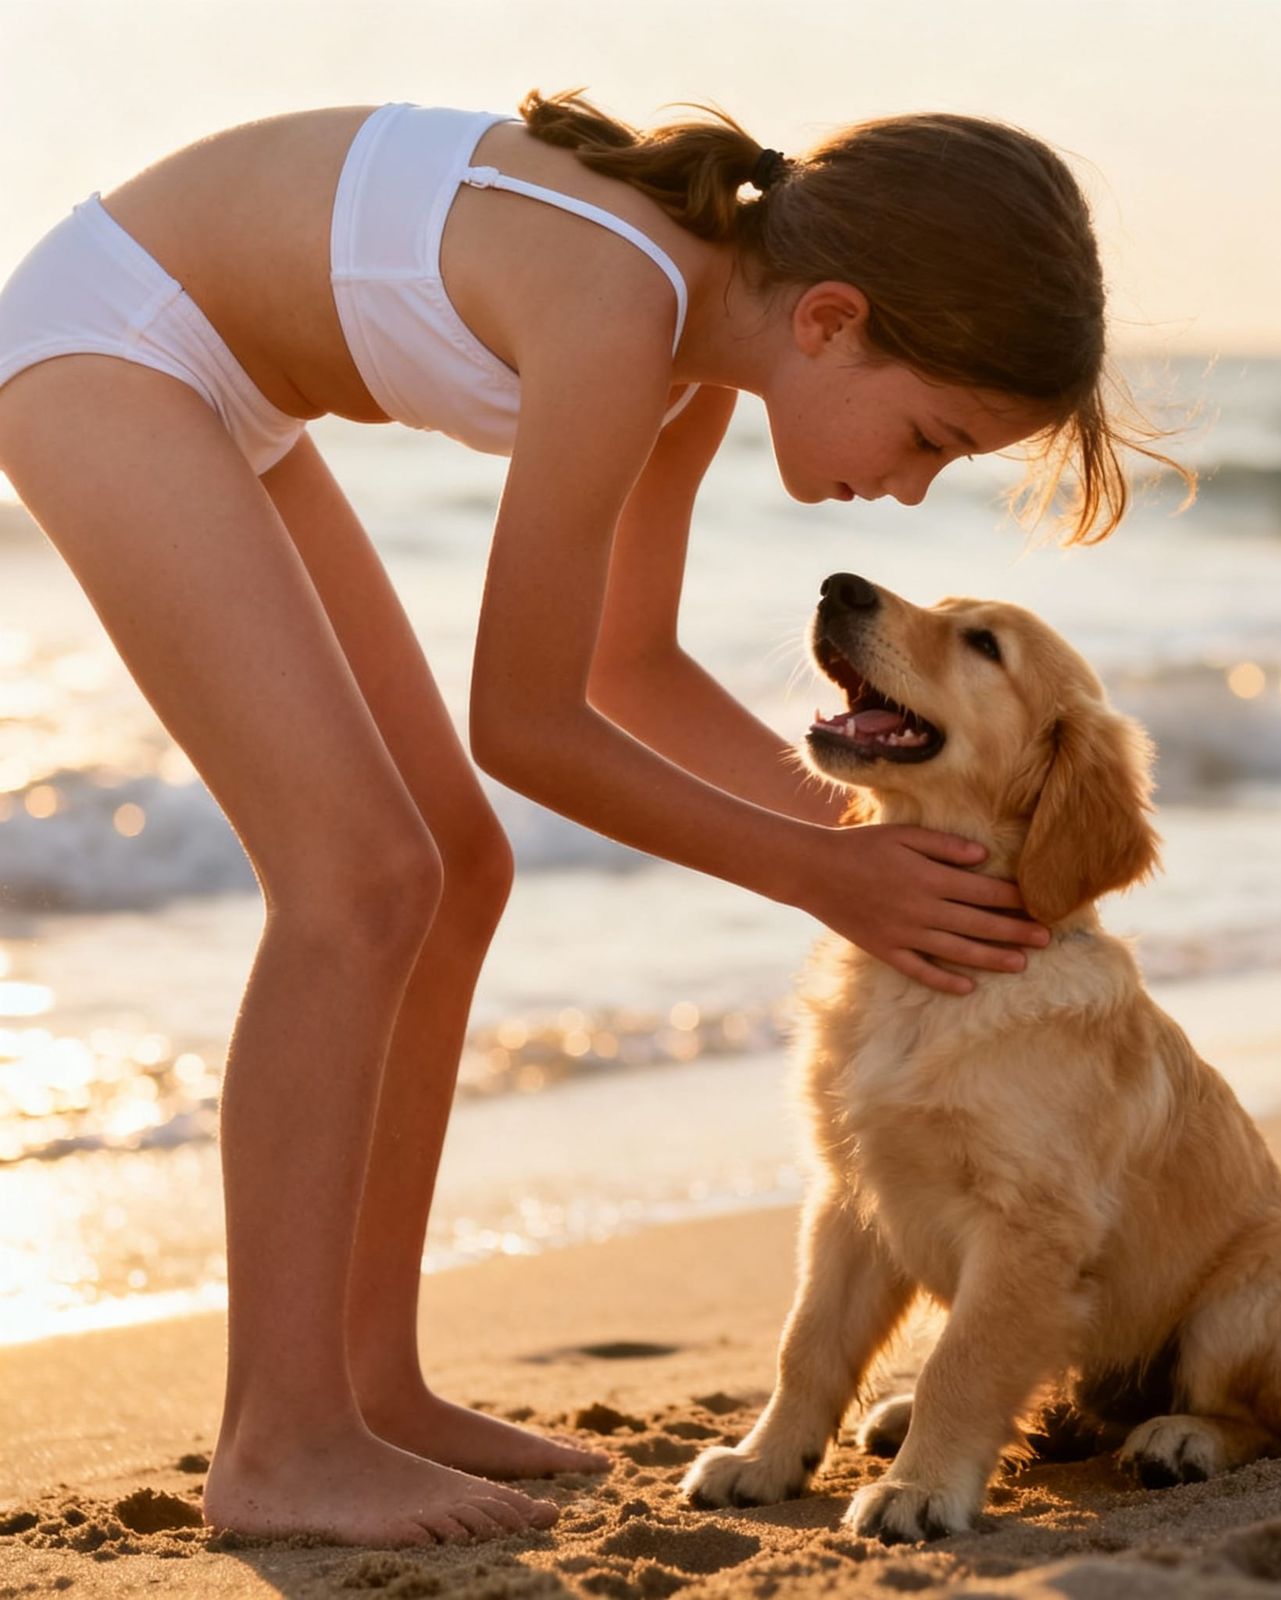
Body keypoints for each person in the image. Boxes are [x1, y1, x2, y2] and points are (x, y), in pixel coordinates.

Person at [0, 91, 1179, 1548]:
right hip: (110, 345)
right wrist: (824, 872)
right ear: (829, 320)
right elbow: (527, 719)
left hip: (219, 385)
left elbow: (630, 669)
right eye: (930, 434)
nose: (912, 489)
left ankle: (370, 1384)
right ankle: (281, 1441)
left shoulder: (689, 351)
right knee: (359, 880)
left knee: (458, 872)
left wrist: (871, 850)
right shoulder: (622, 312)